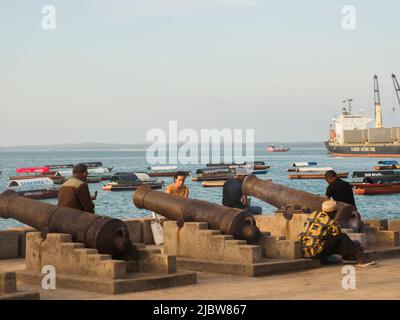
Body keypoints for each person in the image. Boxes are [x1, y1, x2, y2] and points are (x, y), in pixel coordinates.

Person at [298, 200, 378, 267]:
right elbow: (339, 240)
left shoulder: (313, 215)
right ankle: (361, 259)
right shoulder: (331, 222)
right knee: (342, 237)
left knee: (336, 240)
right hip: (315, 252)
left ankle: (350, 256)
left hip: (303, 250)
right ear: (333, 212)